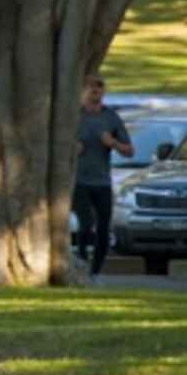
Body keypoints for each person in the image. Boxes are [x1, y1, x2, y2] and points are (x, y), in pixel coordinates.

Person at [74, 74, 132, 277]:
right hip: (78, 180)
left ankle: (95, 272)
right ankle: (80, 257)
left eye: (99, 85)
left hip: (102, 181)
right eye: (90, 85)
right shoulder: (75, 116)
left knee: (104, 226)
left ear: (103, 90)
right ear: (83, 90)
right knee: (86, 221)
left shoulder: (110, 117)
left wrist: (113, 143)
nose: (95, 89)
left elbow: (129, 150)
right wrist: (72, 149)